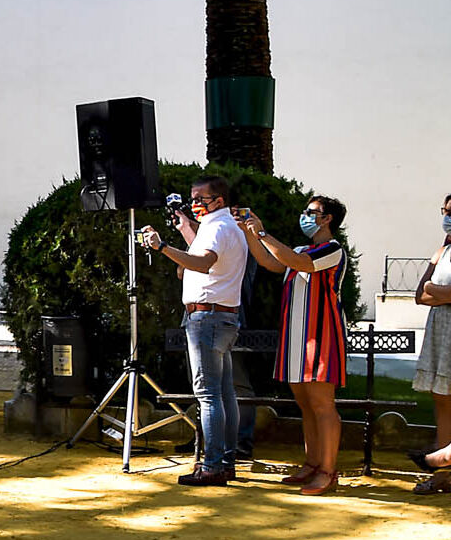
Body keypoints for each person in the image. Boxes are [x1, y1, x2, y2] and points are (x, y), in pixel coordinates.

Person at [237, 196, 349, 496]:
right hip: (296, 337)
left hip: (323, 336)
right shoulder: (299, 249)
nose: (305, 216)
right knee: (306, 405)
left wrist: (262, 232)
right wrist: (249, 232)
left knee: (323, 405)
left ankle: (328, 471)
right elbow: (270, 262)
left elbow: (301, 265)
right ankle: (312, 464)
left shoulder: (333, 249)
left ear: (327, 219)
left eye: (311, 212)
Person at [141, 174, 247, 486]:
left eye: (201, 198)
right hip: (222, 316)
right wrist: (185, 228)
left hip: (207, 317)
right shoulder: (224, 226)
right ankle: (226, 462)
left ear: (219, 200)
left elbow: (202, 263)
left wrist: (161, 247)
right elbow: (206, 258)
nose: (195, 203)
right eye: (193, 198)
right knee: (224, 394)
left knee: (208, 395)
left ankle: (212, 466)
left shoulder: (216, 228)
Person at [410, 194, 451, 493]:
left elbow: (433, 291)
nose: (448, 217)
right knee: (442, 401)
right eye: (445, 211)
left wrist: (433, 289)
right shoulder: (442, 251)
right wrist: (437, 290)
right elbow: (420, 295)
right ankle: (441, 476)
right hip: (440, 331)